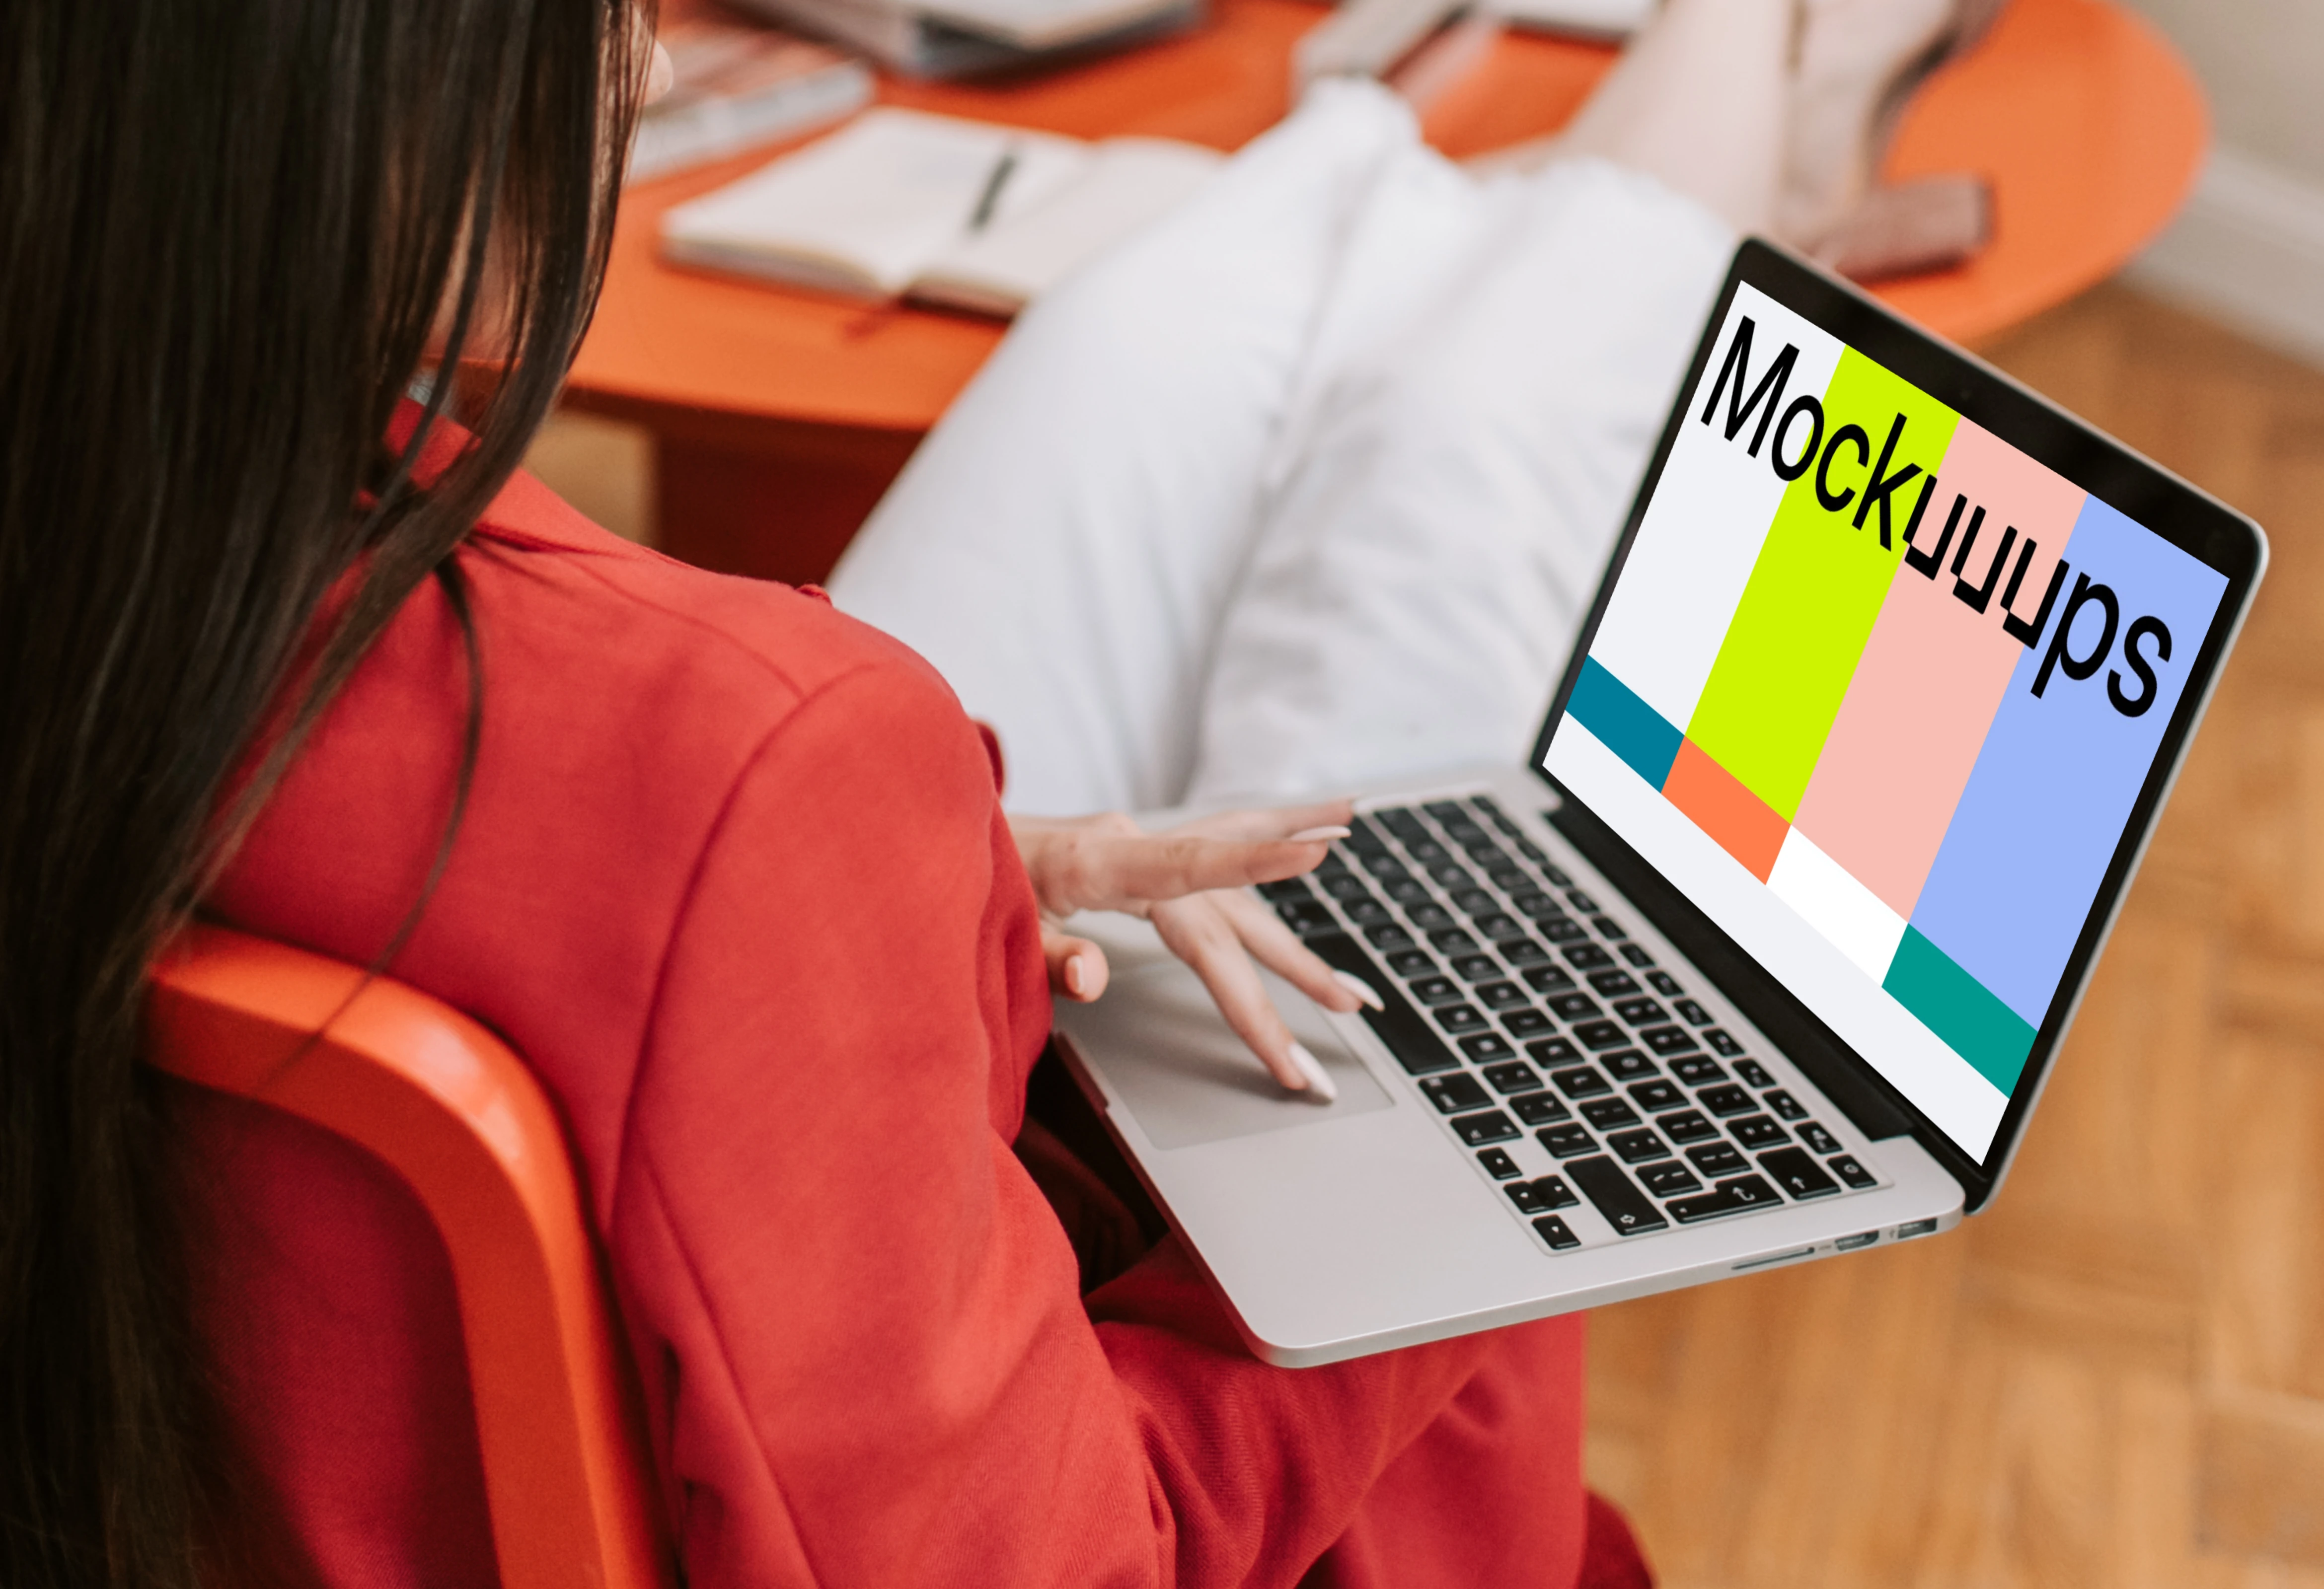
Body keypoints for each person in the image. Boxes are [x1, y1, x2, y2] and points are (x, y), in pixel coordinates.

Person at [0, 1, 1993, 1586]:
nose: (641, 58)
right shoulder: (747, 764)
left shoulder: (121, 547)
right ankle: (1741, 88)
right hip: (1070, 1391)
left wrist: (932, 896)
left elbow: (576, 874)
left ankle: (1432, 138)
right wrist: (1462, 1185)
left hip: (714, 1187)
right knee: (1484, 422)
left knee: (1208, 299)